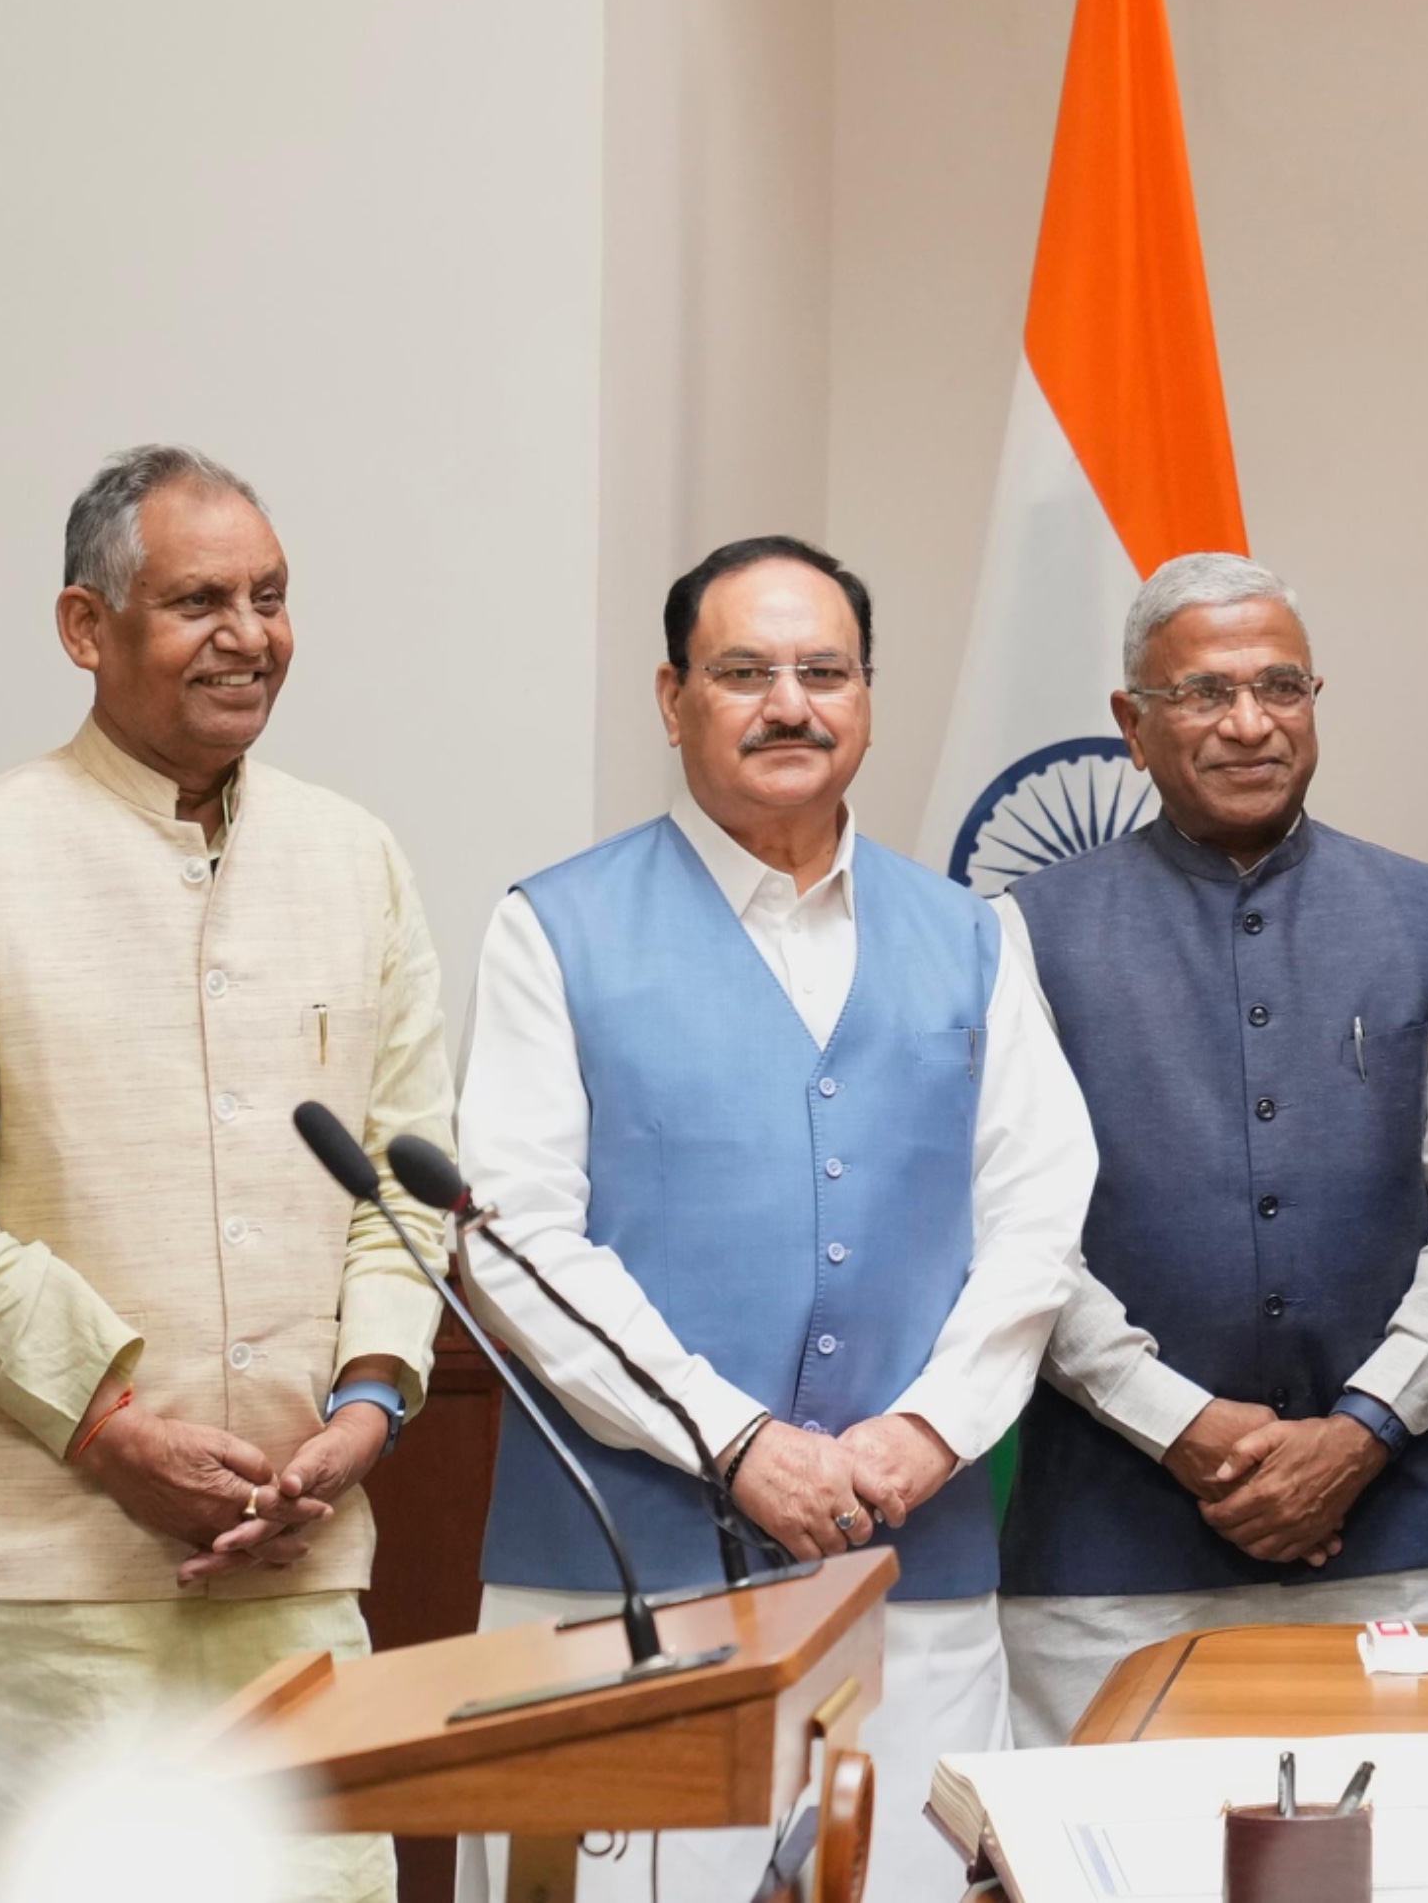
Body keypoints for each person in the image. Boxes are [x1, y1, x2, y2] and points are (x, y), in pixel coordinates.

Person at [0, 447, 444, 1903]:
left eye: (272, 597)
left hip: (285, 1593)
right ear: (84, 627)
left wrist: (370, 1403)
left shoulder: (354, 858)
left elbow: (409, 1183)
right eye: (198, 601)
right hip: (0, 1606)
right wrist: (111, 1428)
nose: (250, 635)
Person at [453, 537, 1097, 1903]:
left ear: (868, 694)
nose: (788, 704)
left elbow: (1039, 1216)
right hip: (621, 1583)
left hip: (905, 1579)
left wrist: (922, 1433)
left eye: (825, 671)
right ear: (672, 694)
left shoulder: (976, 937)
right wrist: (734, 1440)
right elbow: (517, 1244)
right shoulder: (552, 929)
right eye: (744, 672)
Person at [996, 554, 1428, 1740]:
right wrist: (1181, 1427)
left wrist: (1362, 1432)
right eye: (1203, 693)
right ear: (1129, 724)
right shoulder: (1020, 935)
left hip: (1401, 1545)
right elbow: (1012, 1231)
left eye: (1281, 688)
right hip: (1106, 1560)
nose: (1250, 724)